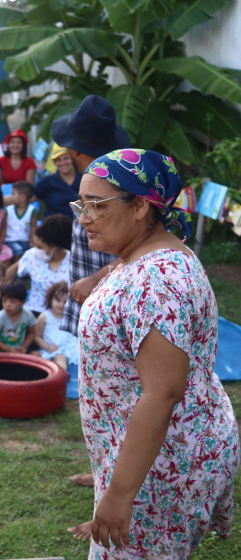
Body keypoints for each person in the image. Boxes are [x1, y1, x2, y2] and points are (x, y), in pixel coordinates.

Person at [68, 149, 239, 558]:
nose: (85, 217)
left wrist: (120, 493)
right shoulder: (144, 257)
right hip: (147, 455)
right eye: (81, 205)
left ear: (141, 206)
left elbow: (161, 393)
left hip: (161, 468)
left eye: (97, 205)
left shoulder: (160, 279)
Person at [52, 93, 132, 509]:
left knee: (118, 396)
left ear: (80, 151)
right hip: (91, 294)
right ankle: (104, 470)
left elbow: (145, 248)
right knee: (96, 394)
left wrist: (96, 279)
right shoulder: (95, 177)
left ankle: (117, 485)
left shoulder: (122, 184)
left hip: (114, 301)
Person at [5, 214, 72, 314]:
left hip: (60, 315)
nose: (35, 249)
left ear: (53, 246)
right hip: (33, 312)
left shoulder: (72, 262)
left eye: (39, 247)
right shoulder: (31, 256)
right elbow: (9, 275)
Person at [33, 281, 78, 371]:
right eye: (58, 300)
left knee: (62, 358)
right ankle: (57, 374)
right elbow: (36, 336)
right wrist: (47, 347)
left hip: (68, 348)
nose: (61, 304)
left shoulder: (70, 316)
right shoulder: (44, 317)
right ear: (51, 299)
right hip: (51, 348)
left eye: (65, 302)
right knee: (37, 355)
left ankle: (60, 375)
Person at [33, 143, 81, 218]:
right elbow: (28, 198)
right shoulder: (47, 181)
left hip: (80, 226)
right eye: (58, 160)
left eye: (66, 158)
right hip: (54, 227)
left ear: (72, 159)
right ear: (54, 162)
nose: (63, 163)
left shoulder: (84, 179)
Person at [0, 281, 36, 354]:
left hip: (18, 349)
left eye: (12, 302)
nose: (7, 305)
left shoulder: (28, 315)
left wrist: (24, 347)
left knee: (36, 354)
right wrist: (8, 349)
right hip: (0, 349)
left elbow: (31, 333)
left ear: (22, 302)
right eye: (4, 301)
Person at [3, 181, 38, 259]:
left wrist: (32, 241)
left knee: (31, 251)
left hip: (25, 240)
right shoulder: (8, 210)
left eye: (13, 194)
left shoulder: (32, 210)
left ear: (22, 197)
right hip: (10, 240)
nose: (11, 197)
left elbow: (33, 227)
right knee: (18, 251)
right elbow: (3, 227)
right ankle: (18, 270)